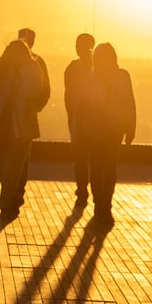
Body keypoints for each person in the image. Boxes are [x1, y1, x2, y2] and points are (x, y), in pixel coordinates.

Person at [0, 28, 49, 217]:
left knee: (13, 167)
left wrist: (19, 73)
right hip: (0, 123)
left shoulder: (33, 67)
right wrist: (3, 63)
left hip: (22, 125)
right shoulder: (5, 67)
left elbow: (36, 91)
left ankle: (7, 203)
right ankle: (11, 194)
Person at [77, 42, 135, 223]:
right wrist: (131, 127)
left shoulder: (89, 77)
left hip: (94, 128)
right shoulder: (123, 76)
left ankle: (98, 203)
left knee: (96, 166)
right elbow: (130, 103)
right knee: (109, 167)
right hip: (115, 127)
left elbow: (81, 105)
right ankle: (106, 205)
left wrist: (79, 128)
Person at [63, 32, 95, 206]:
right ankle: (92, 191)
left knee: (80, 156)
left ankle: (82, 189)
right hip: (94, 119)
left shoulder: (72, 68)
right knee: (94, 157)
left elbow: (69, 94)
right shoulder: (98, 67)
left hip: (78, 117)